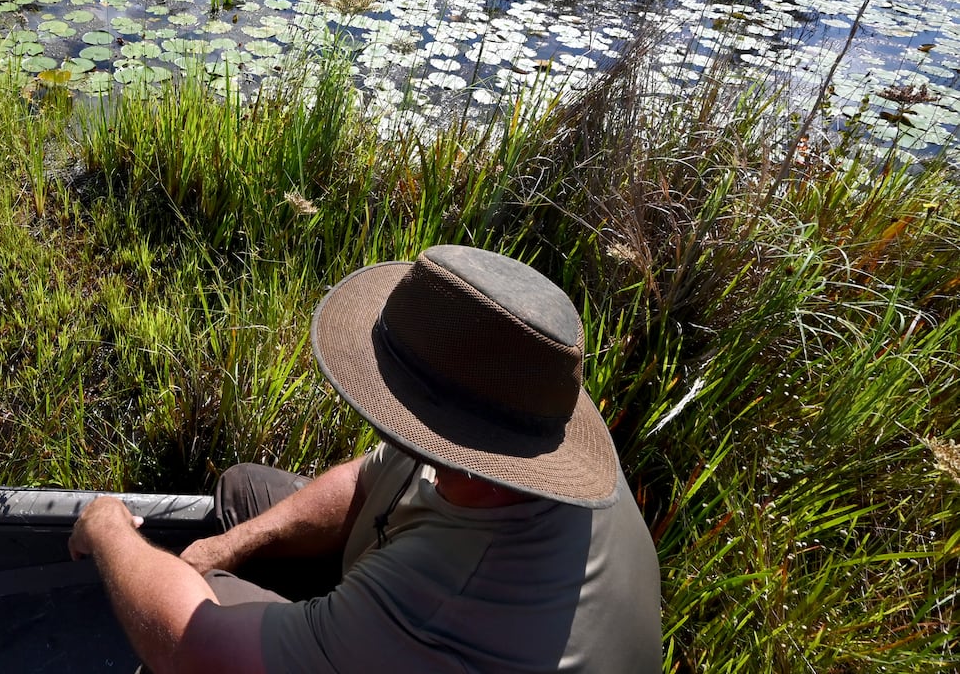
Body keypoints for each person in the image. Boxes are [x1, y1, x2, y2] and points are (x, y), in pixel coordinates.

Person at [69, 245, 662, 673]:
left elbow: (193, 648)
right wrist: (234, 543)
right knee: (241, 494)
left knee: (206, 598)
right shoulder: (524, 429)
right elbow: (370, 477)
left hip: (429, 635)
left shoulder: (445, 600)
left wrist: (110, 529)